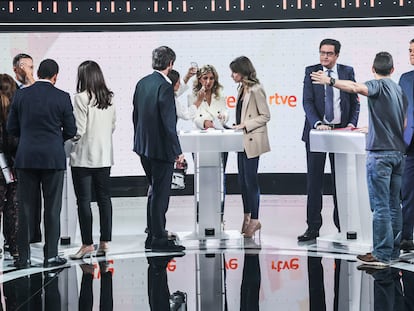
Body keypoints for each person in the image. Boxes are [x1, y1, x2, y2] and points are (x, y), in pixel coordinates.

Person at [311, 51, 407, 266]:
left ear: (373, 69)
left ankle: (381, 254)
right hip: (398, 153)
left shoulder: (376, 85)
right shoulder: (399, 90)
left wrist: (330, 80)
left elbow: (355, 88)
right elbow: (402, 122)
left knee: (380, 206)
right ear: (392, 69)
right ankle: (392, 252)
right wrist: (374, 127)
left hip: (380, 155)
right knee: (394, 205)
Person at [7, 58, 77, 269]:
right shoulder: (62, 97)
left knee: (25, 209)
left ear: (37, 73)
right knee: (52, 209)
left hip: (26, 158)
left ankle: (24, 258)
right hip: (53, 159)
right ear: (55, 76)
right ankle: (50, 256)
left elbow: (12, 128)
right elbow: (71, 131)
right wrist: (55, 139)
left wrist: (27, 138)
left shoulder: (22, 95)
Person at [298, 38, 360, 242]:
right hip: (317, 133)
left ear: (337, 55)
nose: (324, 56)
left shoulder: (347, 71)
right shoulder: (311, 71)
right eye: (322, 52)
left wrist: (351, 124)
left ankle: (342, 225)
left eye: (329, 53)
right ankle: (313, 227)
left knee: (339, 182)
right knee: (313, 182)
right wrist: (317, 123)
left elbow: (354, 101)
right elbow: (307, 101)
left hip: (341, 132)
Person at [133, 46, 185, 252]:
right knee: (160, 193)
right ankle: (159, 238)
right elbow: (168, 123)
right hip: (160, 149)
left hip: (143, 146)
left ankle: (153, 232)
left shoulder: (142, 83)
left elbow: (135, 115)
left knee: (154, 190)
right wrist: (178, 151)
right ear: (171, 63)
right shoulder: (164, 86)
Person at [69, 60, 116, 260]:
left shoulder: (80, 98)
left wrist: (66, 139)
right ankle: (105, 243)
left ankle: (87, 244)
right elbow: (113, 125)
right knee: (104, 200)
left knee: (84, 202)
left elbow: (79, 130)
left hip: (83, 158)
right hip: (104, 156)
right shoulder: (109, 98)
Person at [229, 56, 270, 238]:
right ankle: (247, 216)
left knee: (251, 181)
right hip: (241, 141)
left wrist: (245, 125)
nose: (232, 75)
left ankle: (255, 219)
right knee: (243, 182)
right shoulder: (242, 89)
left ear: (243, 72)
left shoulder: (256, 89)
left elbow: (265, 116)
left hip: (252, 139)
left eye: (235, 72)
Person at [12, 53, 42, 244]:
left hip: (37, 152)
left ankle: (34, 234)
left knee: (36, 197)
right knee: (18, 199)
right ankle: (16, 237)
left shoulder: (38, 91)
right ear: (16, 69)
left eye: (31, 67)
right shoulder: (11, 90)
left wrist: (31, 80)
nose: (28, 71)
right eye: (24, 67)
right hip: (16, 151)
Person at [0, 74, 19, 259]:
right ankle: (13, 246)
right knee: (13, 206)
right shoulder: (14, 111)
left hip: (4, 163)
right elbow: (14, 140)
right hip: (12, 163)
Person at [399, 39, 414, 251]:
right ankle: (406, 236)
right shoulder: (405, 79)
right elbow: (399, 110)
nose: (412, 54)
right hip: (409, 145)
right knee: (407, 192)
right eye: (410, 51)